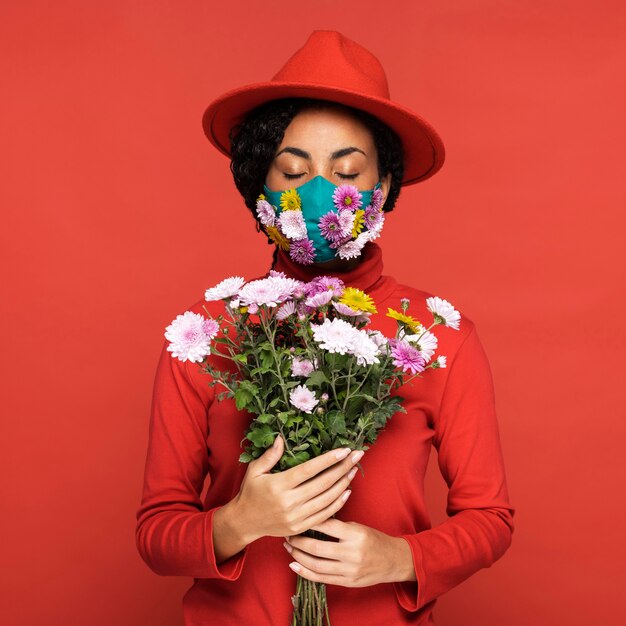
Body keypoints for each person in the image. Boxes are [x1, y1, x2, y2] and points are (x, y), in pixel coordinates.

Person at [135, 31, 515, 626]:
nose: (319, 192)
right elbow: (156, 531)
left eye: (347, 171)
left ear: (384, 186)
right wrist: (240, 522)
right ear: (261, 187)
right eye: (292, 170)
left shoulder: (438, 335)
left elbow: (490, 520)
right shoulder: (210, 337)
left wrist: (400, 557)